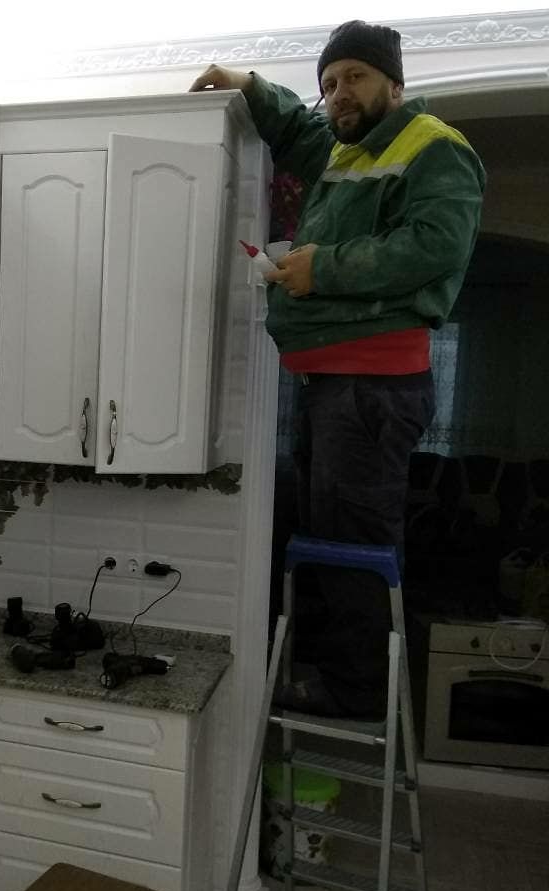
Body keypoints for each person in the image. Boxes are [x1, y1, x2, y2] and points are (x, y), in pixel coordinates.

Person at [190, 20, 486, 718]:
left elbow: (436, 246)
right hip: (336, 383)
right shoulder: (343, 150)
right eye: (329, 82)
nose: (339, 92)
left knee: (353, 541)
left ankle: (356, 691)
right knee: (330, 534)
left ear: (394, 84)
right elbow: (296, 128)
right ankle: (343, 676)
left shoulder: (435, 147)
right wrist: (246, 84)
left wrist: (320, 268)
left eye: (355, 76)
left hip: (372, 383)